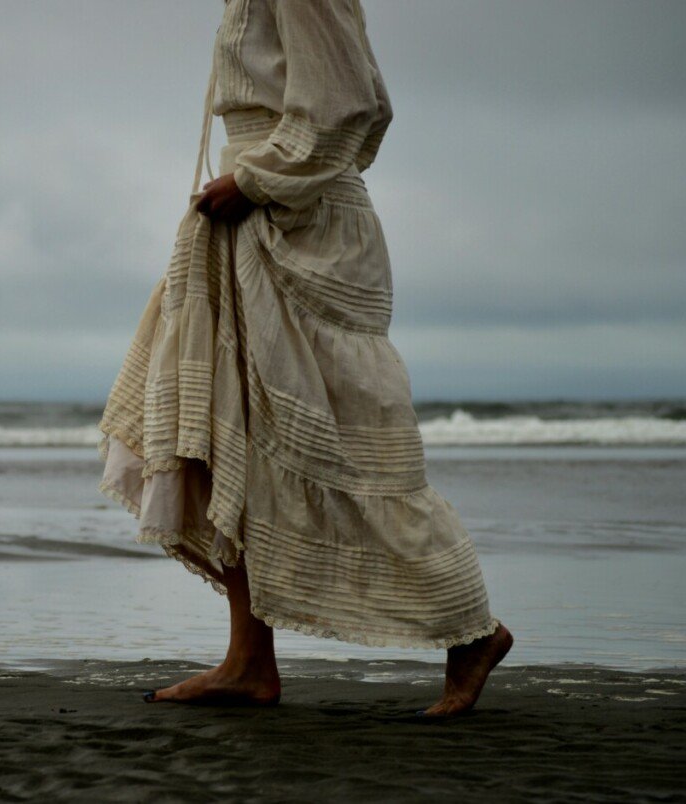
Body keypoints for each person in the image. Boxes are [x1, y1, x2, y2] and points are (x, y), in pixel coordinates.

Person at [98, 0, 512, 717]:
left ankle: (471, 629)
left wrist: (262, 178)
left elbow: (353, 102)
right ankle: (249, 661)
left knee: (347, 447)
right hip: (257, 206)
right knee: (235, 439)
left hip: (297, 221)